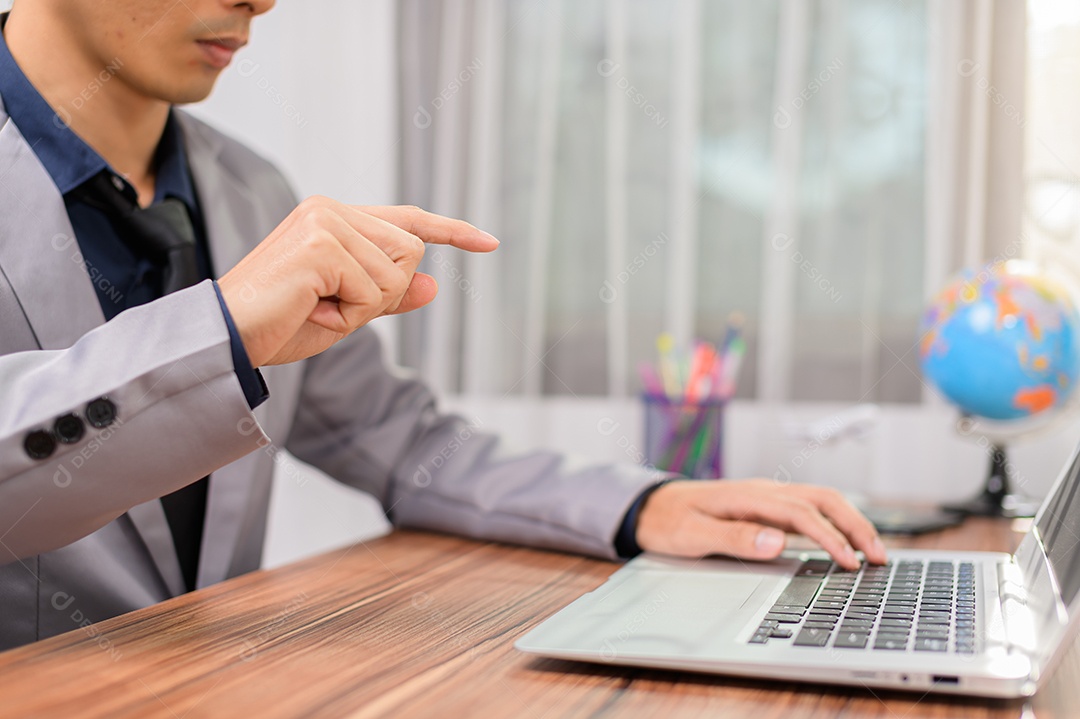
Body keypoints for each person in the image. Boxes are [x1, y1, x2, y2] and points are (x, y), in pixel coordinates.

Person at [0, 0, 886, 650]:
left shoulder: (252, 190)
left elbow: (401, 441)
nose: (259, 2)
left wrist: (642, 502)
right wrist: (222, 326)